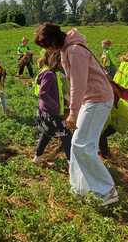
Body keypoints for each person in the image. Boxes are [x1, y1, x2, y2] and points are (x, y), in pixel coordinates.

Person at [35, 23, 118, 206]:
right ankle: (80, 188)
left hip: (97, 99)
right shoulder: (67, 49)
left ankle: (106, 191)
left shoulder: (73, 50)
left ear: (54, 40)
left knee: (83, 145)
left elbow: (77, 84)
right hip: (91, 99)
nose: (48, 50)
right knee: (76, 144)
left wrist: (72, 112)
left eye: (47, 45)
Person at [32, 50, 72, 164]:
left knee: (47, 134)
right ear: (55, 61)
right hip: (52, 113)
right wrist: (55, 106)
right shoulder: (49, 74)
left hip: (47, 111)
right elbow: (43, 93)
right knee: (66, 135)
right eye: (62, 61)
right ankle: (71, 164)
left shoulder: (49, 72)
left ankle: (37, 157)